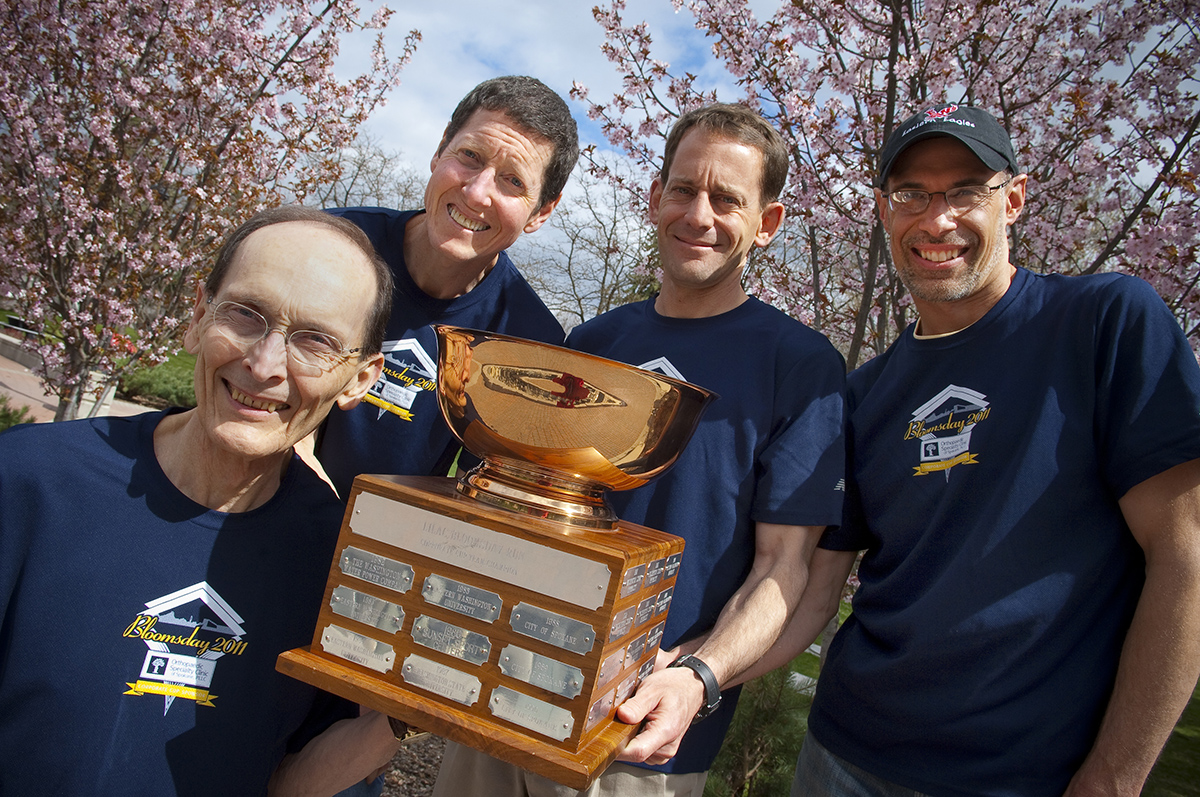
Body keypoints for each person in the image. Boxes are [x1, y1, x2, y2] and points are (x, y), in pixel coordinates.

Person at [743, 103, 1200, 796]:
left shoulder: (1107, 323)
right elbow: (813, 589)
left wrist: (1113, 777)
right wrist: (698, 676)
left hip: (1016, 776)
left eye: (965, 190)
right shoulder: (864, 394)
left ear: (1012, 199)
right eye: (912, 195)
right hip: (841, 753)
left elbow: (1186, 556)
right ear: (883, 212)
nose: (937, 219)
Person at [431, 103, 847, 796]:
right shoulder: (594, 341)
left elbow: (784, 567)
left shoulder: (801, 367)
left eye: (726, 199)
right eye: (683, 189)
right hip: (509, 696)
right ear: (656, 198)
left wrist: (697, 675)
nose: (699, 215)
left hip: (640, 739)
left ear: (767, 225)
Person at [0, 206, 407, 795]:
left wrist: (408, 713)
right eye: (245, 314)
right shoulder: (28, 481)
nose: (264, 365)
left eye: (314, 342)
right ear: (197, 315)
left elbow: (288, 783)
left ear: (360, 380)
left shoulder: (342, 567)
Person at [315, 75, 579, 497]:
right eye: (470, 156)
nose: (476, 193)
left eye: (513, 181)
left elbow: (486, 493)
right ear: (440, 150)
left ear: (542, 211)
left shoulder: (531, 340)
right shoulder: (329, 242)